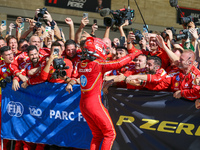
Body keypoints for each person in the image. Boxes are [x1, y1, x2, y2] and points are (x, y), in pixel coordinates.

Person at [65, 37, 141, 150]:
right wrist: (135, 54)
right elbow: (119, 63)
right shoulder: (98, 64)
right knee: (110, 134)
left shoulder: (80, 64)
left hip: (84, 104)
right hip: (94, 104)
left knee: (97, 135)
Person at [0, 46, 20, 150]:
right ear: (2, 56)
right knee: (4, 129)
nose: (10, 56)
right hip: (3, 102)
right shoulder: (1, 66)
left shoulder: (18, 62)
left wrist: (14, 78)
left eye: (11, 54)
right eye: (7, 55)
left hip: (19, 103)